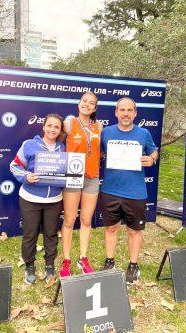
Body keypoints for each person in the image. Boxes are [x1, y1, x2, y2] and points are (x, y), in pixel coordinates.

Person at [99, 97, 158, 284]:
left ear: (135, 113)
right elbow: (99, 153)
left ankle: (133, 265)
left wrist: (152, 159)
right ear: (116, 113)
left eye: (129, 110)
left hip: (135, 192)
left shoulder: (144, 133)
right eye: (122, 110)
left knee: (134, 231)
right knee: (111, 228)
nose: (125, 113)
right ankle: (109, 261)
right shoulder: (106, 132)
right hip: (110, 189)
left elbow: (153, 151)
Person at [10, 114, 66, 284]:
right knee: (30, 234)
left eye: (56, 127)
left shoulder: (63, 148)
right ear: (43, 127)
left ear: (60, 130)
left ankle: (49, 265)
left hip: (54, 200)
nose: (52, 129)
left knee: (51, 234)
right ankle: (30, 266)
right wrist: (26, 176)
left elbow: (69, 171)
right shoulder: (29, 145)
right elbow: (15, 165)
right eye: (49, 125)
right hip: (30, 198)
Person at [60, 92, 102, 277]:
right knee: (69, 219)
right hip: (73, 176)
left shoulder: (99, 126)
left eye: (91, 103)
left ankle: (82, 258)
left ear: (95, 108)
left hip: (92, 177)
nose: (87, 104)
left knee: (86, 219)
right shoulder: (69, 124)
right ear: (79, 104)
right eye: (84, 101)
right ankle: (66, 259)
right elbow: (56, 144)